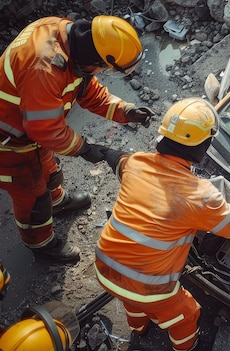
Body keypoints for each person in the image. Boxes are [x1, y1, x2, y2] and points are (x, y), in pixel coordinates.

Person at [94, 97, 230, 351]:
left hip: (104, 269)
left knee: (132, 302)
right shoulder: (200, 196)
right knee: (185, 314)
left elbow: (119, 160)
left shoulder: (136, 163)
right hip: (148, 288)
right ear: (202, 146)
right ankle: (186, 347)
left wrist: (98, 151)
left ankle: (139, 329)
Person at [0, 15, 155, 263]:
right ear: (95, 59)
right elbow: (47, 130)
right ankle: (41, 245)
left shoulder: (73, 40)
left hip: (27, 132)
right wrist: (86, 149)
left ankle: (58, 202)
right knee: (33, 196)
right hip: (8, 144)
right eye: (103, 67)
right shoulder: (44, 67)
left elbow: (85, 89)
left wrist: (124, 111)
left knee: (50, 173)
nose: (102, 72)